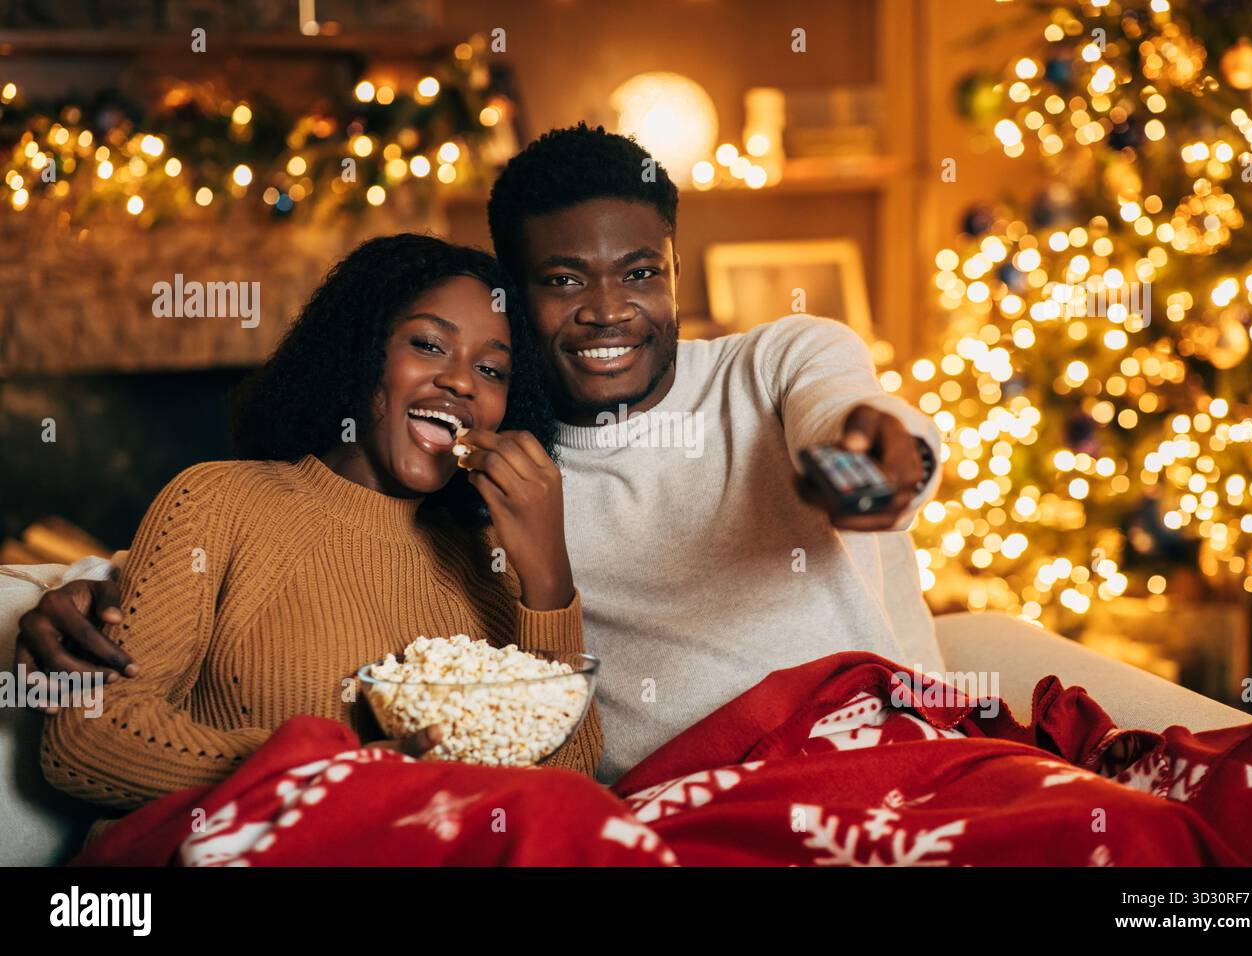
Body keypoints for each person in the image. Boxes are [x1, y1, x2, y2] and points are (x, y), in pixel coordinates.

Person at [20, 124, 941, 785]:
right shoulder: (448, 486)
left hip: (873, 752)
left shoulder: (764, 370)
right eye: (564, 280)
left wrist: (876, 467)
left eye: (641, 272)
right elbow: (238, 560)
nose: (609, 310)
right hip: (664, 813)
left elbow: (849, 414)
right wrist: (65, 589)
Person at [37, 234, 602, 811]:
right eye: (429, 345)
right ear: (360, 350)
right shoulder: (217, 502)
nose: (462, 382)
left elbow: (568, 784)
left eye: (491, 369)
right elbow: (87, 736)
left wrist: (548, 575)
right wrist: (335, 776)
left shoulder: (491, 556)